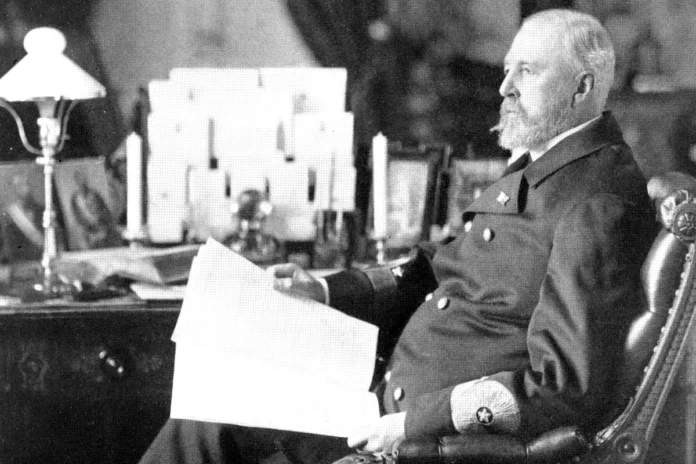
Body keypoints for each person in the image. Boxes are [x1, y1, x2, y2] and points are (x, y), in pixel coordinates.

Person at [139, 8, 656, 464]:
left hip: (423, 440)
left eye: (527, 71)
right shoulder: (552, 167)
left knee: (205, 425)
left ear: (583, 86)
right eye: (506, 69)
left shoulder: (595, 203)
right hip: (384, 395)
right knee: (210, 405)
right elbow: (437, 266)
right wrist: (323, 290)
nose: (505, 88)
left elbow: (565, 387)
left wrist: (409, 426)